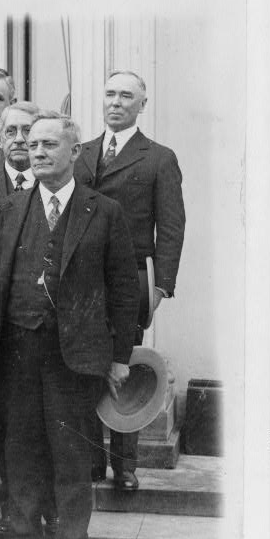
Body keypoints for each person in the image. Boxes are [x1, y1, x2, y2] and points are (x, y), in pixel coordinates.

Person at [0, 111, 140, 539]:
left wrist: (120, 356)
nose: (36, 151)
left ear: (75, 151)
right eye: (31, 143)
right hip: (15, 356)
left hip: (74, 359)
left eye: (48, 144)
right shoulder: (8, 210)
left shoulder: (103, 212)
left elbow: (124, 291)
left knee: (70, 460)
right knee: (19, 458)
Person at [73, 70, 186, 492]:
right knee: (85, 363)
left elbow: (171, 227)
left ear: (142, 104)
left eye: (126, 95)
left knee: (128, 363)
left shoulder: (158, 157)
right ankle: (91, 462)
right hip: (81, 281)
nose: (116, 102)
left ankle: (124, 466)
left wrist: (161, 287)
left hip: (131, 281)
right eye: (110, 94)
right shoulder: (80, 152)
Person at [0, 101, 56, 537]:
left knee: (37, 423)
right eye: (12, 132)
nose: (20, 140)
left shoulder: (60, 190)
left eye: (28, 132)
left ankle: (36, 506)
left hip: (41, 329)